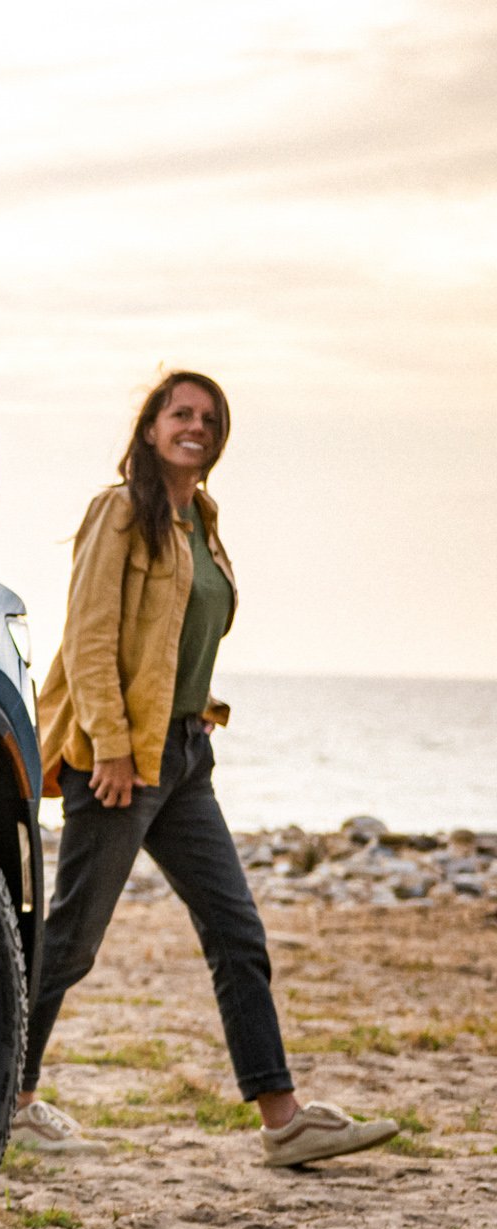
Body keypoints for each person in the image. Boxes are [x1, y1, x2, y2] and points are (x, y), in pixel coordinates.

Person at [23, 372, 394, 1166]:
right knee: (71, 942)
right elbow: (88, 637)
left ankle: (283, 1121)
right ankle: (8, 1101)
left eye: (209, 419)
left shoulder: (203, 520)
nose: (195, 426)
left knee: (236, 930)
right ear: (151, 427)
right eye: (181, 413)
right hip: (124, 760)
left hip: (187, 757)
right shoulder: (120, 511)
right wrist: (112, 745)